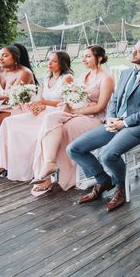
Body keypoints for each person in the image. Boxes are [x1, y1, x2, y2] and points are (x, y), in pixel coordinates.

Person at [67, 37, 140, 212]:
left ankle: (121, 187)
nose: (133, 52)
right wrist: (111, 118)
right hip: (116, 122)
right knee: (74, 149)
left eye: (138, 51)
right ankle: (103, 180)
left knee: (107, 155)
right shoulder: (126, 73)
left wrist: (125, 123)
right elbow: (114, 100)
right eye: (134, 48)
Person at [29, 46, 114, 195]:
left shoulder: (106, 78)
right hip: (77, 112)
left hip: (94, 118)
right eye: (83, 56)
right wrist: (67, 104)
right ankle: (49, 164)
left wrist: (74, 111)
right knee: (50, 119)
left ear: (99, 58)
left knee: (62, 131)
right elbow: (73, 98)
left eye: (87, 56)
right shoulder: (83, 75)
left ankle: (55, 177)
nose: (83, 59)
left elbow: (100, 107)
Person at [0, 51, 73, 180]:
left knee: (30, 133)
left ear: (62, 63)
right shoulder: (46, 78)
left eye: (54, 61)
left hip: (57, 113)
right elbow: (41, 99)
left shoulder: (67, 78)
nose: (49, 63)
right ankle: (4, 163)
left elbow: (68, 102)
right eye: (49, 59)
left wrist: (43, 103)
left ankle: (33, 169)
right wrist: (38, 107)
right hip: (44, 111)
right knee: (9, 122)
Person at [0, 44, 36, 133]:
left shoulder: (25, 72)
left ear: (15, 57)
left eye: (5, 55)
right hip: (0, 108)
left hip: (21, 109)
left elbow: (11, 96)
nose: (0, 58)